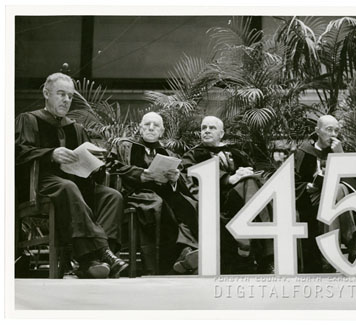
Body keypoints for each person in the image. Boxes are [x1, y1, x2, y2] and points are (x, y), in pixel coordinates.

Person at [15, 72, 128, 279]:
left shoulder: (76, 128)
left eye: (69, 96)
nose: (66, 100)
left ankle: (97, 261)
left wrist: (96, 164)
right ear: (46, 93)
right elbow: (19, 152)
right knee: (68, 186)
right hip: (43, 183)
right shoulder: (29, 119)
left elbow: (87, 164)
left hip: (77, 184)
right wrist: (51, 154)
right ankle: (98, 255)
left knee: (112, 196)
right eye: (61, 94)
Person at [106, 112, 199, 275]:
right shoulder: (123, 145)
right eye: (147, 124)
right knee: (156, 203)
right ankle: (168, 262)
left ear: (162, 132)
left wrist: (175, 179)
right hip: (135, 194)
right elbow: (110, 166)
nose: (151, 128)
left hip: (163, 193)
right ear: (140, 128)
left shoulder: (168, 154)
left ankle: (187, 251)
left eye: (156, 125)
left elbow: (184, 184)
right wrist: (138, 174)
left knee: (188, 204)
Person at [182, 116, 274, 274]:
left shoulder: (236, 153)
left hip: (239, 201)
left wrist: (245, 174)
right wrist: (228, 179)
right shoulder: (193, 155)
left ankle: (246, 238)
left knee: (251, 182)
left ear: (221, 133)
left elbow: (251, 171)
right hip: (212, 200)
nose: (207, 131)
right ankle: (265, 256)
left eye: (212, 128)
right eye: (204, 128)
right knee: (253, 192)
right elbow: (188, 182)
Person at [295, 115, 356, 273]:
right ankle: (353, 244)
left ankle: (329, 260)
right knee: (337, 190)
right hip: (311, 199)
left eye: (336, 130)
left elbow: (355, 180)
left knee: (337, 190)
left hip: (336, 199)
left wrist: (340, 155)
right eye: (329, 129)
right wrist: (308, 186)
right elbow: (293, 181)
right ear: (317, 131)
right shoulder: (304, 152)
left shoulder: (338, 149)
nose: (333, 134)